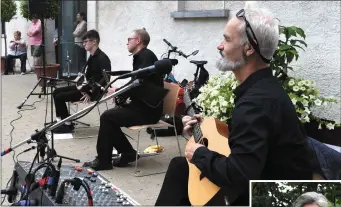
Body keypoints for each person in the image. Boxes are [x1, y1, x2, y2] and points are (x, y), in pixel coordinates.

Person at [155, 2, 313, 206]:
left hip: (268, 196)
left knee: (183, 170)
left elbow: (240, 174)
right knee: (180, 167)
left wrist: (199, 153)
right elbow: (249, 146)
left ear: (248, 48)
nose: (219, 46)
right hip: (265, 181)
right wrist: (202, 135)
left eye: (226, 39)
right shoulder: (263, 88)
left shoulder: (255, 104)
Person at [82, 28, 166, 171]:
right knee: (110, 117)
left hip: (148, 111)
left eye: (129, 39)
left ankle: (105, 160)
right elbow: (138, 83)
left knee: (108, 117)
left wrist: (119, 92)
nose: (127, 43)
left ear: (138, 41)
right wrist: (121, 94)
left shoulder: (145, 56)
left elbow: (139, 84)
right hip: (142, 106)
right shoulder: (142, 56)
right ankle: (127, 153)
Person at [52, 29, 111, 134]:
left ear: (94, 42)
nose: (83, 44)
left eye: (86, 41)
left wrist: (90, 91)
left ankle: (67, 125)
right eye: (83, 42)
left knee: (60, 97)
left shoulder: (102, 58)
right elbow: (88, 77)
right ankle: (61, 121)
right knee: (56, 92)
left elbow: (106, 79)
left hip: (93, 92)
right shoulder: (92, 57)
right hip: (86, 88)